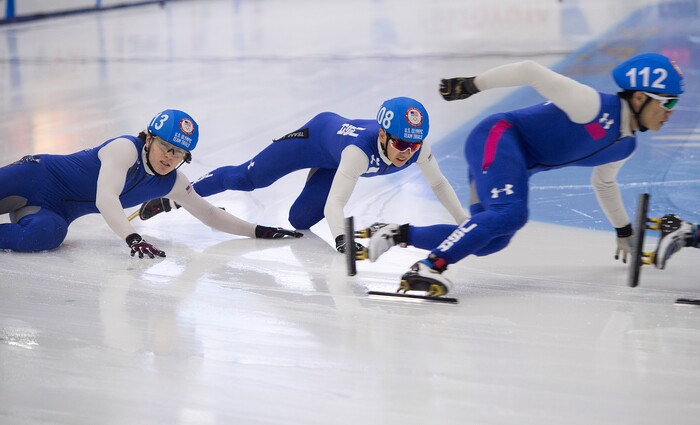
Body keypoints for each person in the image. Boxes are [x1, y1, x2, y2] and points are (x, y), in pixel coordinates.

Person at [363, 53, 684, 296]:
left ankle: (395, 234)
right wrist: (472, 85)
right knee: (510, 213)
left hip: (509, 160)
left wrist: (624, 230)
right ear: (639, 97)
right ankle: (430, 266)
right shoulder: (593, 106)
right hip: (497, 137)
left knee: (490, 241)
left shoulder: (625, 145)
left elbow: (604, 182)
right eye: (666, 102)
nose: (671, 112)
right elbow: (531, 71)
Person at [135, 97, 469, 252]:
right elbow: (335, 205)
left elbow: (439, 183)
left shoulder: (416, 149)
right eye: (399, 143)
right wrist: (342, 240)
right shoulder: (358, 153)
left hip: (333, 161)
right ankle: (176, 198)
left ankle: (179, 199)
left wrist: (464, 220)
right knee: (248, 179)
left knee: (299, 220)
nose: (406, 152)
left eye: (413, 145)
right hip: (315, 138)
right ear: (382, 134)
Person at [0, 109, 302, 258]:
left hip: (52, 212)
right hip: (32, 177)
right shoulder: (124, 149)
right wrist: (133, 238)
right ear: (149, 139)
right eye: (165, 148)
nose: (170, 158)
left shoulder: (171, 183)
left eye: (179, 153)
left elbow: (208, 213)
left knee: (44, 238)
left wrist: (258, 230)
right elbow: (107, 198)